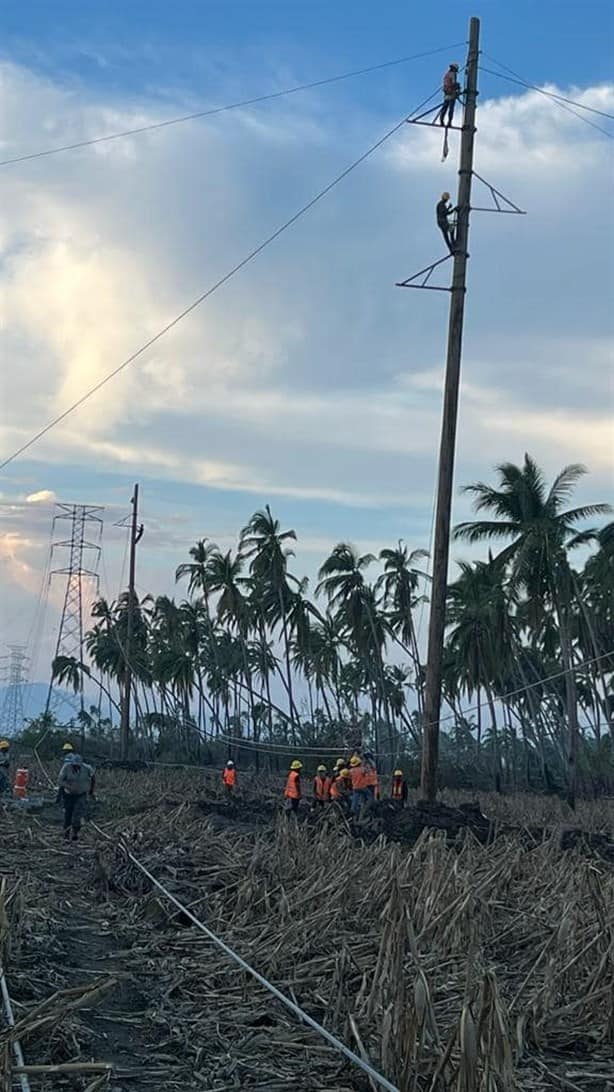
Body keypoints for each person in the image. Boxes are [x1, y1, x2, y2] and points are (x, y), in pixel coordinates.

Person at [57, 754, 95, 842]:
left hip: (81, 795)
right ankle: (66, 834)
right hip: (68, 795)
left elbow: (93, 778)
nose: (76, 767)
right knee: (68, 815)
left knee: (77, 815)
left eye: (78, 766)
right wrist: (68, 786)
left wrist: (91, 790)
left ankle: (75, 833)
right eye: (74, 766)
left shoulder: (87, 768)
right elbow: (60, 781)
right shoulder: (66, 768)